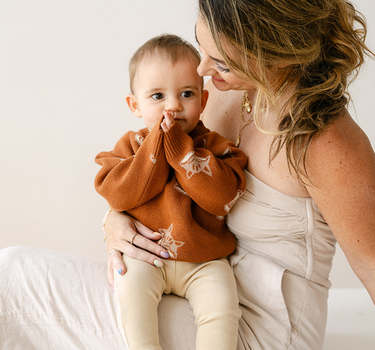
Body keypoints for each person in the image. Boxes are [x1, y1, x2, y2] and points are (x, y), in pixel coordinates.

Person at [1, 0, 374, 349]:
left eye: (223, 63)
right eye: (202, 45)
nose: (202, 71)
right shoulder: (222, 94)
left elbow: (371, 262)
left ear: (277, 54)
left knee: (14, 280)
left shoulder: (325, 141)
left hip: (259, 330)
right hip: (186, 285)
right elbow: (171, 179)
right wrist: (116, 220)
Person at [94, 33, 246, 350]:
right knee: (130, 294)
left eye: (187, 93)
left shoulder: (215, 146)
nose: (174, 106)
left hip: (206, 261)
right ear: (135, 105)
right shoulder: (131, 146)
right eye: (158, 96)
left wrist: (179, 150)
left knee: (223, 307)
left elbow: (222, 197)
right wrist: (156, 144)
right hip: (147, 257)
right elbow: (121, 195)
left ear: (203, 101)